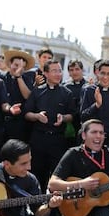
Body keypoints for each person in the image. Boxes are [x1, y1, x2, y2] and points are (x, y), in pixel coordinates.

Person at [24, 59, 76, 193]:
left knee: (56, 175)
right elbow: (27, 114)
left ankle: (54, 206)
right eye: (54, 71)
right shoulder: (37, 92)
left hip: (58, 140)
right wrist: (37, 116)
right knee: (36, 173)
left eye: (59, 71)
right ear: (45, 73)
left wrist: (63, 118)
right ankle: (36, 204)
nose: (58, 74)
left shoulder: (67, 93)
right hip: (38, 139)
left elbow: (72, 115)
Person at [80, 59, 109, 147]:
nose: (105, 77)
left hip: (108, 139)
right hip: (90, 137)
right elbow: (83, 116)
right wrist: (97, 105)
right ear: (97, 73)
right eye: (103, 73)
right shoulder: (89, 90)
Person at [0, 49, 35, 142]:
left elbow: (27, 96)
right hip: (1, 121)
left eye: (22, 66)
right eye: (16, 65)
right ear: (10, 64)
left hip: (19, 124)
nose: (18, 68)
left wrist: (18, 77)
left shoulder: (27, 79)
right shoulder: (1, 78)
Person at [64, 59, 87, 147]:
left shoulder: (89, 86)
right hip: (68, 126)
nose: (74, 72)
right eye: (71, 70)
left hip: (83, 126)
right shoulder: (65, 87)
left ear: (82, 70)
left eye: (77, 69)